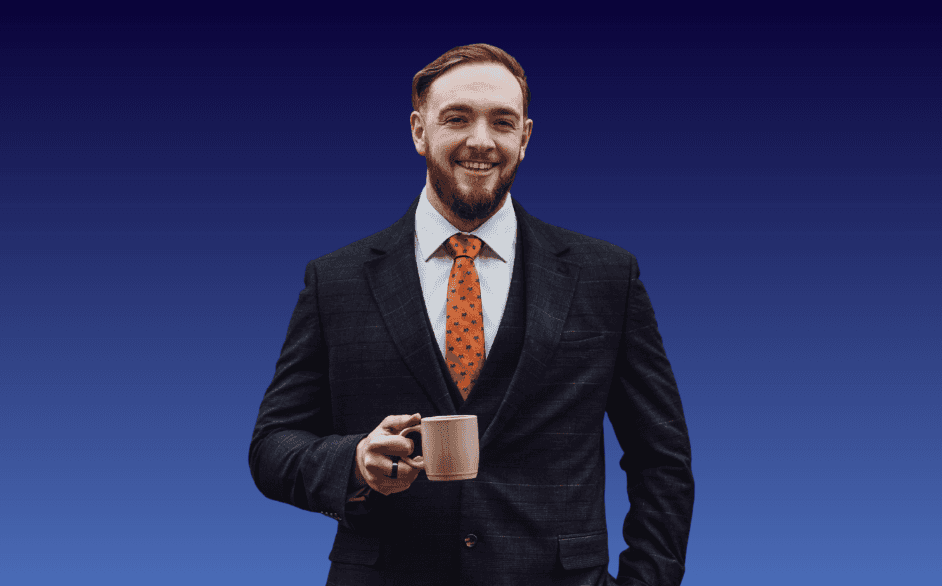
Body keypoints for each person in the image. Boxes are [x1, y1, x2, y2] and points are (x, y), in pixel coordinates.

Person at [250, 43, 694, 586]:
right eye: (457, 118)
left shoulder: (606, 277)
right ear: (419, 131)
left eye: (502, 122)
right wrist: (353, 462)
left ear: (525, 138)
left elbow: (661, 457)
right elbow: (273, 445)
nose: (480, 140)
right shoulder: (336, 280)